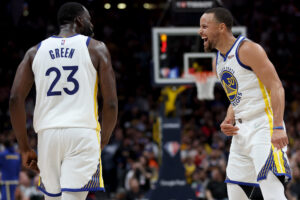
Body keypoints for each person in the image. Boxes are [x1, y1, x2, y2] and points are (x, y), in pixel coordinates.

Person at [9, 2, 118, 200]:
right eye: (89, 20)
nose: (91, 25)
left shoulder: (35, 51)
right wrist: (103, 140)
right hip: (82, 133)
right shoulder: (97, 49)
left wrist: (24, 147)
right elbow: (110, 103)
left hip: (47, 135)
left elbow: (15, 99)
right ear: (79, 20)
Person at [198, 7, 291, 200]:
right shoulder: (219, 61)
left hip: (264, 127)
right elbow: (237, 97)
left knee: (272, 194)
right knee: (236, 195)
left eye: (205, 26)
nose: (201, 32)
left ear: (221, 27)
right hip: (241, 132)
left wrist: (278, 126)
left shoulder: (247, 49)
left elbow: (276, 87)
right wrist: (228, 117)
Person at [0, 135, 21, 200]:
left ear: (4, 145)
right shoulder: (17, 155)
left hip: (6, 181)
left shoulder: (2, 155)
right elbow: (18, 169)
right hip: (15, 181)